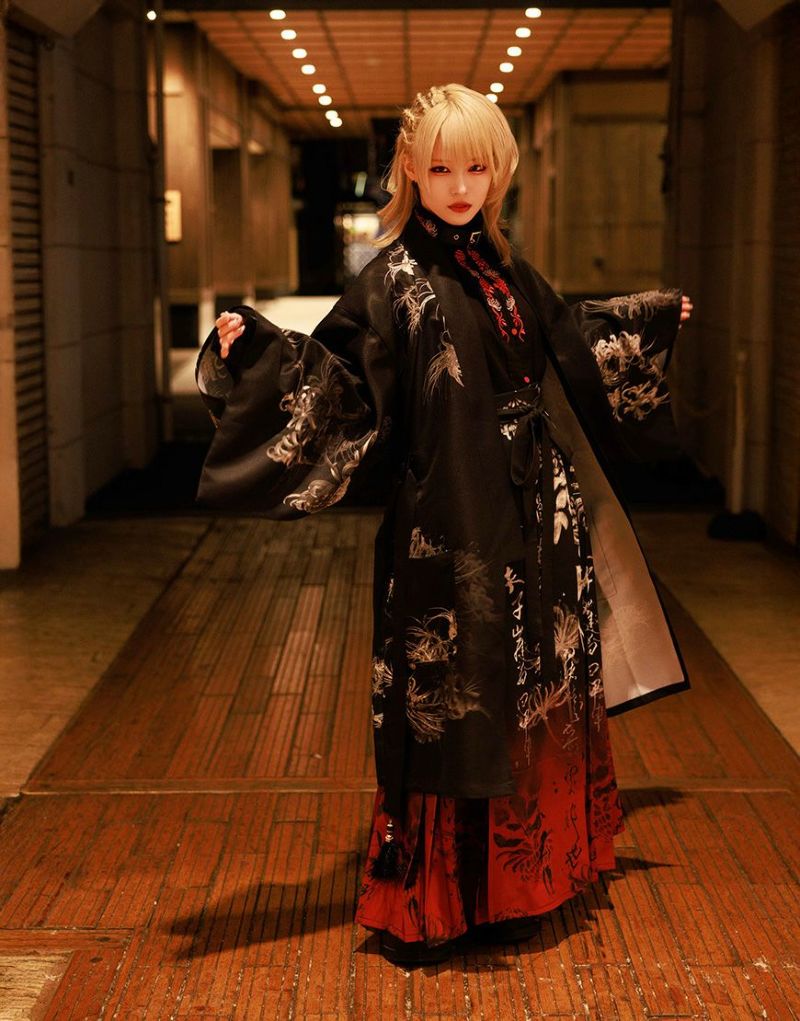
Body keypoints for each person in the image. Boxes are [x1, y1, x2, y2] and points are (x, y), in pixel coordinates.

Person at [196, 83, 694, 967]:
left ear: (498, 171)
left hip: (535, 517)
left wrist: (645, 320)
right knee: (448, 697)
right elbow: (336, 385)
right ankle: (436, 901)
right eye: (440, 168)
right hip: (448, 526)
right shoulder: (389, 282)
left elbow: (569, 340)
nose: (460, 186)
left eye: (476, 167)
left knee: (530, 686)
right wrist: (256, 351)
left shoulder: (506, 267)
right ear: (411, 172)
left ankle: (524, 883)